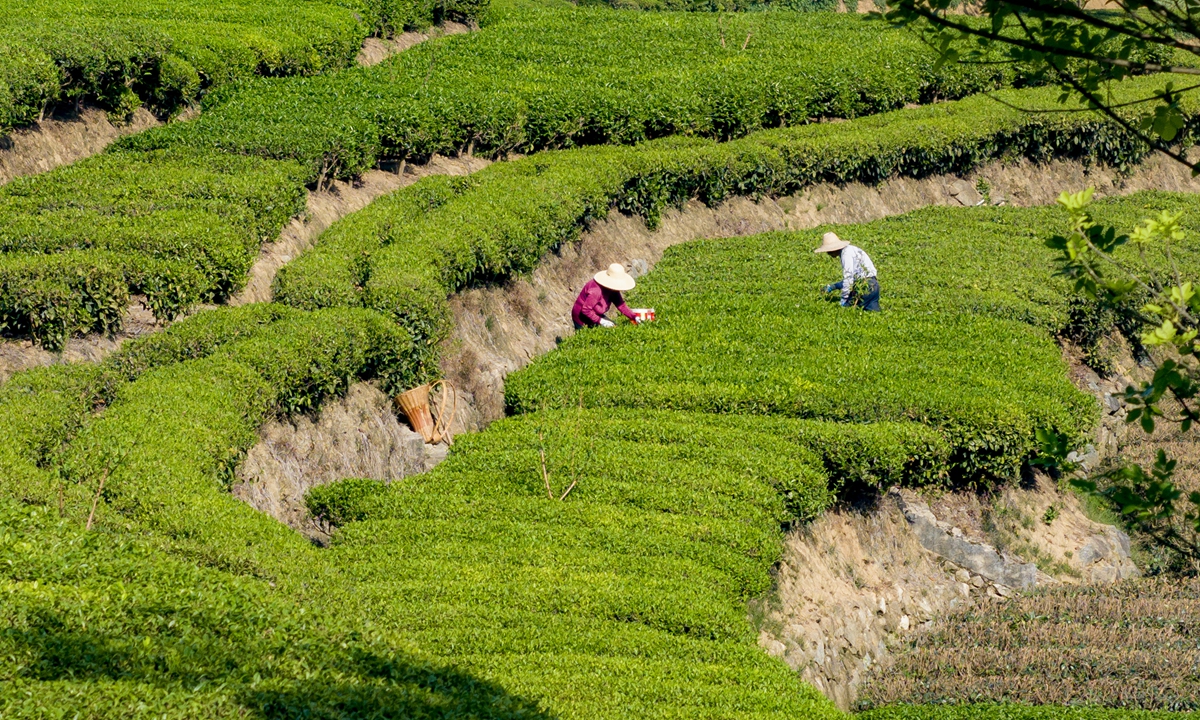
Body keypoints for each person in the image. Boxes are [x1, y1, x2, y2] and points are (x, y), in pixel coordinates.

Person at [813, 231, 880, 312]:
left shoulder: (846, 254)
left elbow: (849, 278)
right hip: (874, 285)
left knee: (848, 312)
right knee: (873, 313)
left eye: (828, 252)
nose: (828, 254)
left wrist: (844, 299)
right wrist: (834, 286)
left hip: (863, 287)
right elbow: (856, 277)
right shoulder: (852, 249)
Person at [572, 263, 639, 329]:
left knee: (614, 328)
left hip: (596, 313)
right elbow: (586, 310)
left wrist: (634, 317)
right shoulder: (596, 291)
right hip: (581, 316)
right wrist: (601, 321)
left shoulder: (613, 290)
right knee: (587, 337)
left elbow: (621, 305)